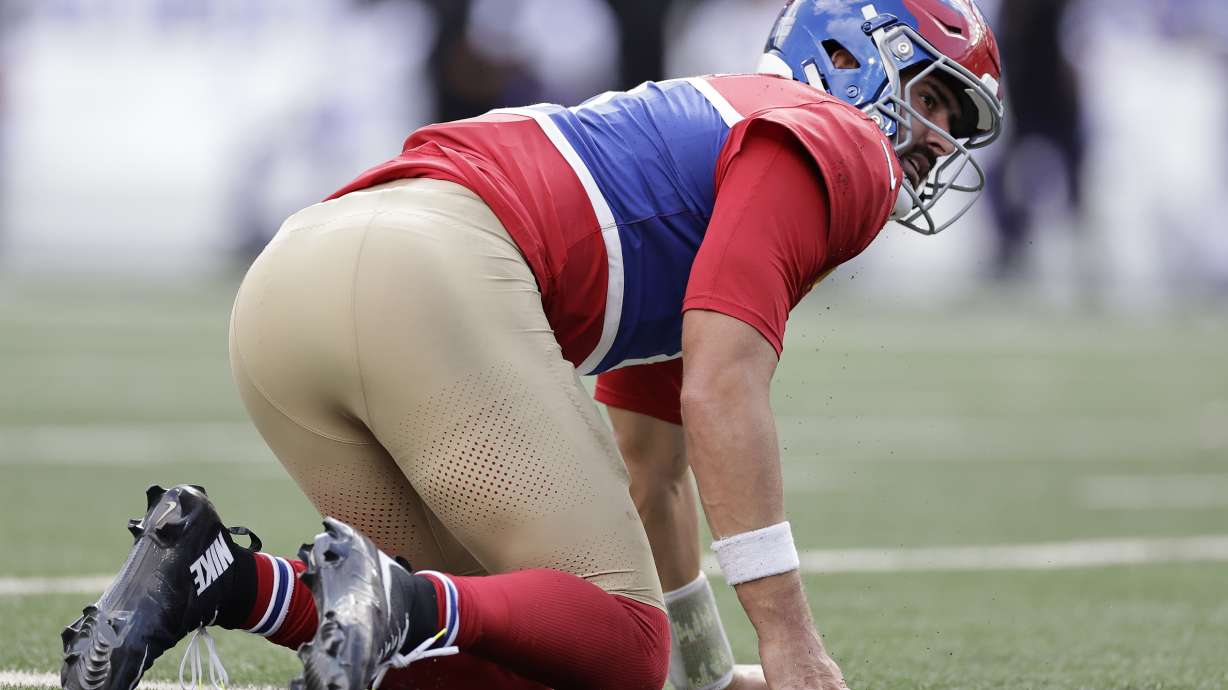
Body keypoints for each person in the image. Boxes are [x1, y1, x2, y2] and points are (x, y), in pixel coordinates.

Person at [59, 2, 1003, 689]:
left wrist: (710, 679)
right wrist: (790, 639)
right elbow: (723, 390)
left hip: (288, 287)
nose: (938, 142)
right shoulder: (833, 140)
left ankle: (221, 577)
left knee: (496, 659)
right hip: (427, 272)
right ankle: (390, 599)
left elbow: (655, 465)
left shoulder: (706, 159)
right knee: (627, 646)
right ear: (849, 58)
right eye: (936, 102)